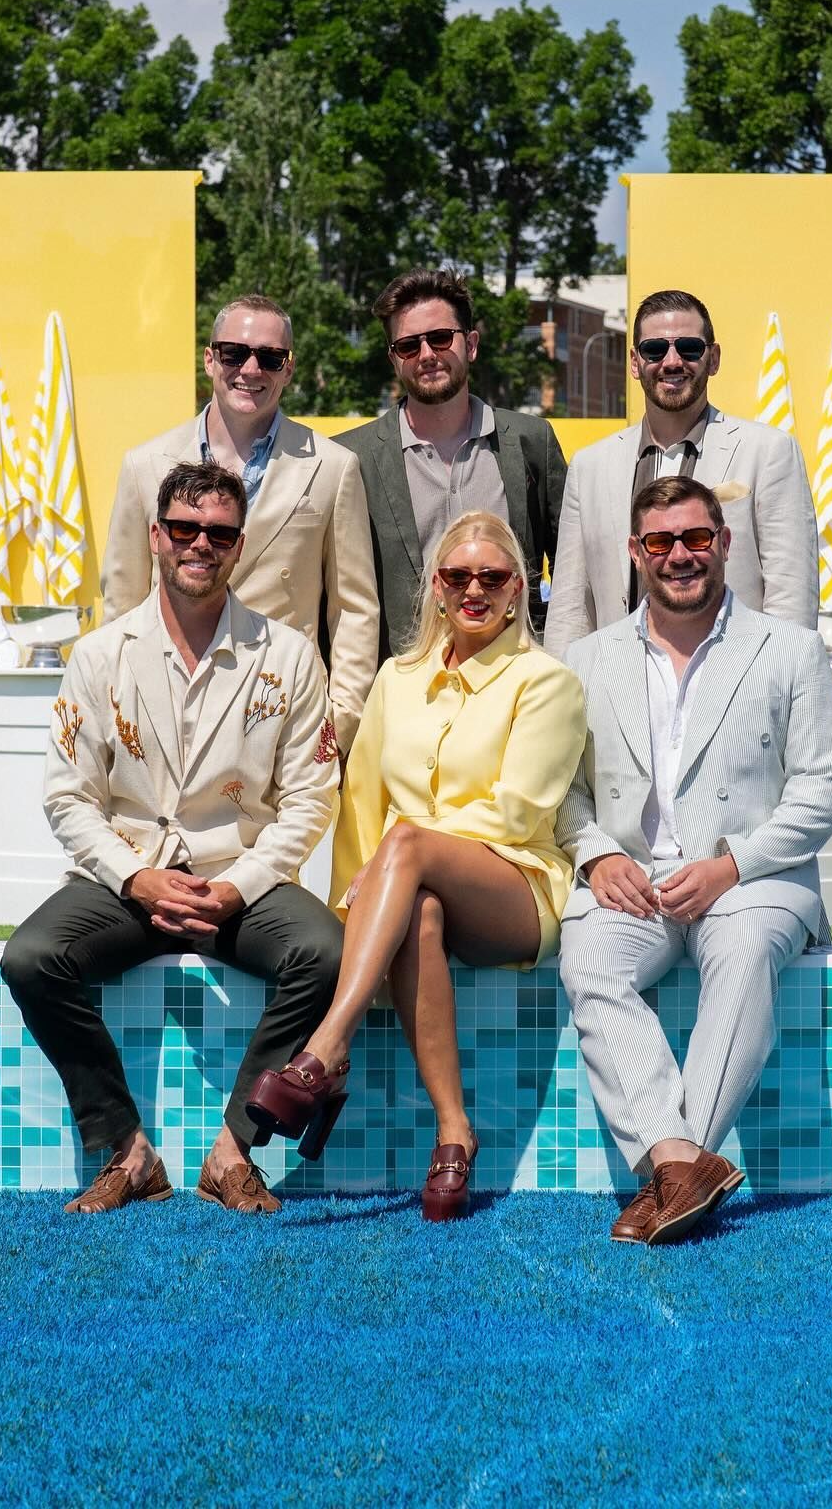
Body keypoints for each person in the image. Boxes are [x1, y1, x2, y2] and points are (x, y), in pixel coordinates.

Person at [3, 460, 344, 1217]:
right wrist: (134, 878)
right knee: (30, 959)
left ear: (239, 544)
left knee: (325, 951)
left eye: (218, 532)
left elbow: (311, 799)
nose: (201, 544)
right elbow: (69, 797)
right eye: (185, 528)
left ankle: (231, 1152)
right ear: (157, 536)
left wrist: (236, 889)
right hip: (127, 881)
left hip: (240, 880)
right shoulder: (100, 655)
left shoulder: (287, 656)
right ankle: (129, 1151)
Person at [245, 510, 587, 1221]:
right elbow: (360, 805)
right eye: (458, 576)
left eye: (491, 578)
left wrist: (402, 857)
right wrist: (359, 906)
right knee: (418, 907)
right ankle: (455, 1133)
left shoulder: (548, 681)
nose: (474, 590)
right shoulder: (397, 679)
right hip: (417, 885)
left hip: (517, 885)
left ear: (519, 589)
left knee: (403, 846)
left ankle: (325, 1050)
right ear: (435, 585)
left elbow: (519, 814)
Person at [556, 476, 832, 1246]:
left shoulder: (790, 650)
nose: (679, 555)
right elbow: (561, 793)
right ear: (635, 553)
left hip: (754, 880)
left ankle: (673, 1175)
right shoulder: (585, 660)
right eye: (660, 542)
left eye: (695, 539)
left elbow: (821, 792)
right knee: (586, 958)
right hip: (635, 879)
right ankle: (683, 1161)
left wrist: (730, 866)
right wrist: (593, 858)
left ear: (723, 543)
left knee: (745, 949)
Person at [100, 294, 378, 753]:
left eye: (270, 357)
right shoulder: (144, 465)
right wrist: (117, 712)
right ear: (210, 359)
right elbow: (122, 602)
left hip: (283, 713)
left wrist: (336, 724)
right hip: (166, 709)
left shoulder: (332, 467)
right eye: (234, 353)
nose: (250, 370)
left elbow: (354, 609)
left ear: (288, 369)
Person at [544, 288, 817, 657]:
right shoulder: (590, 467)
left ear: (714, 357)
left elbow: (791, 593)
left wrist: (778, 686)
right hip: (619, 689)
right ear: (635, 362)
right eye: (654, 349)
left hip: (733, 683)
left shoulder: (768, 452)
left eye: (689, 347)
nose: (672, 361)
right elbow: (571, 606)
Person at [335, 268, 568, 661]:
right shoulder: (351, 460)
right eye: (409, 345)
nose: (427, 355)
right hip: (404, 688)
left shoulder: (531, 442)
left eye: (441, 339)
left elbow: (570, 574)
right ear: (394, 359)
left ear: (471, 344)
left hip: (513, 685)